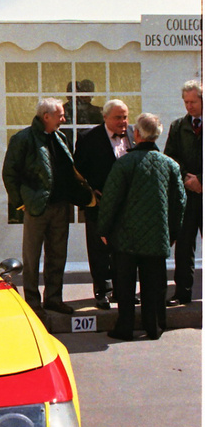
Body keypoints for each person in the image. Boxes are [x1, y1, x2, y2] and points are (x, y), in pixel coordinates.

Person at [2, 98, 95, 315]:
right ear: (46, 116)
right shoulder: (23, 139)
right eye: (60, 115)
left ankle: (54, 298)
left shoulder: (60, 137)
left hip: (60, 206)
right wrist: (21, 203)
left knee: (58, 255)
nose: (64, 119)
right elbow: (9, 173)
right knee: (32, 257)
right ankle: (32, 302)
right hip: (36, 207)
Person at [98, 113, 185, 341]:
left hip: (125, 236)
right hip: (157, 235)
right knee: (155, 285)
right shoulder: (170, 165)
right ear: (157, 135)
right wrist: (172, 232)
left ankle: (125, 328)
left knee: (125, 286)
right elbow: (179, 202)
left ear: (136, 134)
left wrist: (104, 230)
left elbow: (111, 199)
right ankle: (154, 326)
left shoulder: (124, 163)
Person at [74, 100, 135, 308]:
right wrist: (91, 192)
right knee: (99, 248)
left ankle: (123, 289)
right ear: (106, 117)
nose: (123, 122)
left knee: (125, 248)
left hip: (127, 204)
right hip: (99, 203)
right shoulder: (88, 138)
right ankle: (103, 290)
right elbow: (78, 172)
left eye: (125, 117)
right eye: (118, 117)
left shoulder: (134, 134)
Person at [164, 80, 202, 306]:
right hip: (187, 195)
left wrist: (202, 181)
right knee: (184, 245)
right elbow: (171, 157)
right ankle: (182, 292)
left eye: (193, 102)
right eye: (186, 102)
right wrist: (188, 178)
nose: (189, 106)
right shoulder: (178, 126)